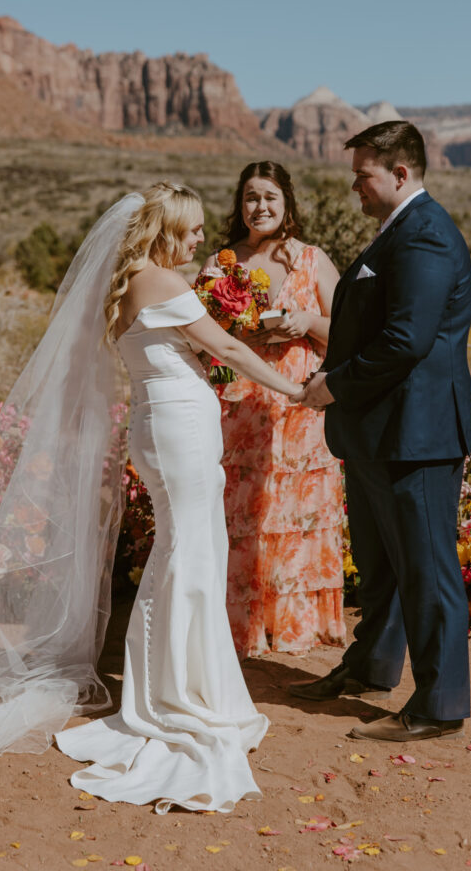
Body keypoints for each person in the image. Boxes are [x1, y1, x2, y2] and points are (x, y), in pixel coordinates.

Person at [0, 183, 302, 812]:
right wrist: (295, 389)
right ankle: (174, 695)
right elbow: (228, 347)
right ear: (164, 233)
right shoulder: (163, 284)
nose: (203, 239)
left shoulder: (129, 286)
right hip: (178, 428)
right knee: (189, 555)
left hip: (160, 426)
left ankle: (176, 684)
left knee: (183, 552)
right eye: (193, 230)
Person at [292, 122, 471, 743]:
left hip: (417, 435)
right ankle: (370, 668)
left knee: (425, 568)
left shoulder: (424, 236)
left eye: (363, 175)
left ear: (401, 174)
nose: (354, 187)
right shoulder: (398, 232)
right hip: (384, 432)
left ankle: (438, 707)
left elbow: (407, 339)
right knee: (382, 567)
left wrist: (334, 384)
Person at [201, 161, 346, 658]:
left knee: (295, 514)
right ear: (239, 205)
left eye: (269, 197)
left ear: (286, 203)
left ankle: (292, 625)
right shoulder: (221, 265)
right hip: (238, 410)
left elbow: (350, 331)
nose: (259, 207)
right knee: (241, 515)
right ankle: (238, 626)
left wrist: (305, 320)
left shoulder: (311, 260)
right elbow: (199, 339)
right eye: (250, 198)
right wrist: (242, 332)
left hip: (300, 408)